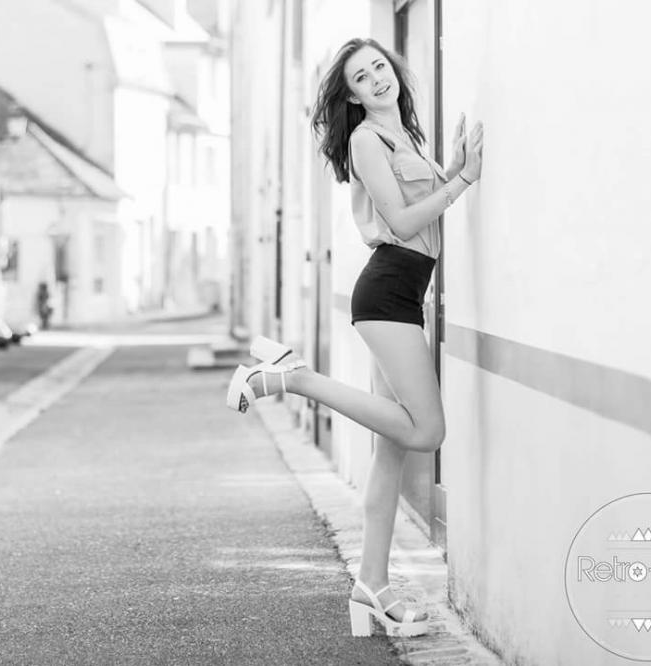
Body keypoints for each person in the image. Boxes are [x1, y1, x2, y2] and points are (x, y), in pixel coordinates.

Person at [225, 37, 484, 638]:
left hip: (405, 295)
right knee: (427, 431)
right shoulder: (368, 140)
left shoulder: (404, 135)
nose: (377, 79)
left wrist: (448, 168)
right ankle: (294, 379)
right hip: (387, 294)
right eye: (362, 78)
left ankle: (372, 587)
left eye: (379, 67)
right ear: (353, 96)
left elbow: (419, 207)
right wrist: (464, 181)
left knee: (389, 452)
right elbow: (402, 222)